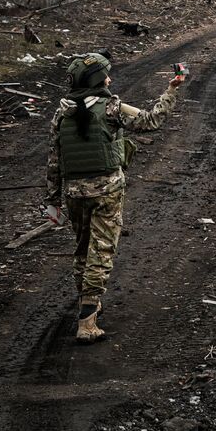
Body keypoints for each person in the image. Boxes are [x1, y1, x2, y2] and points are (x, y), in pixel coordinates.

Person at [45, 52, 185, 343]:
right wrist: (171, 90)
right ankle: (86, 321)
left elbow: (54, 161)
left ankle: (89, 303)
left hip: (74, 193)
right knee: (102, 252)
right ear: (97, 80)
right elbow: (150, 121)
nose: (109, 79)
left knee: (83, 250)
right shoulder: (111, 108)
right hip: (107, 191)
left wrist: (52, 200)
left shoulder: (61, 114)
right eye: (106, 75)